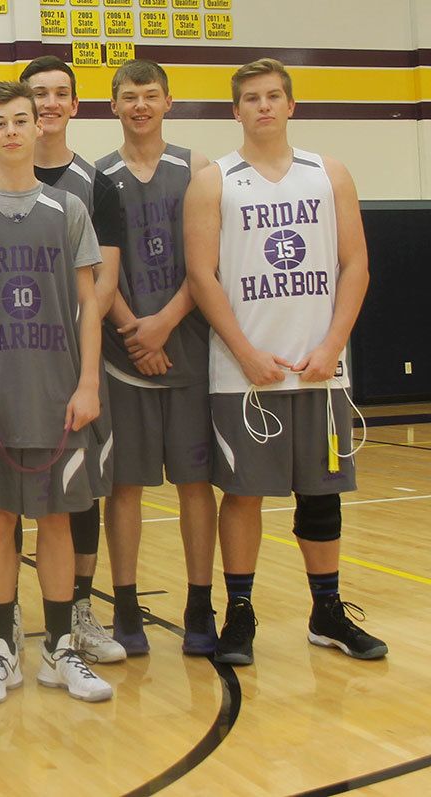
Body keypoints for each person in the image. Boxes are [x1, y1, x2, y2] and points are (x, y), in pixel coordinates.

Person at [184, 58, 387, 665]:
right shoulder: (214, 180)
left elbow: (356, 264)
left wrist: (333, 346)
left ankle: (327, 611)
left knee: (322, 497)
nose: (264, 106)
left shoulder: (329, 173)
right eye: (251, 98)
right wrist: (245, 353)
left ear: (291, 105)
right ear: (235, 110)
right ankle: (240, 613)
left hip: (321, 370)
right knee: (243, 495)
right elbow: (202, 276)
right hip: (243, 375)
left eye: (274, 96)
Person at [0, 80, 113, 707]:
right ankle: (3, 652)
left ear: (40, 126)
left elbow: (89, 302)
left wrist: (88, 383)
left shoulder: (69, 209)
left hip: (58, 392)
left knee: (57, 520)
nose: (11, 131)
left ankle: (60, 651)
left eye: (21, 120)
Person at [0, 56, 125, 663]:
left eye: (55, 96)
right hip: (1, 374)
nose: (18, 126)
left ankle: (73, 619)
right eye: (4, 119)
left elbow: (96, 291)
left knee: (69, 504)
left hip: (65, 369)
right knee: (1, 512)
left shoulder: (86, 193)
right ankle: (3, 628)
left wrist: (80, 370)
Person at [94, 60, 219, 657]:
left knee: (196, 484)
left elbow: (208, 263)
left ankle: (200, 605)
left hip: (188, 350)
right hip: (124, 356)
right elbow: (97, 272)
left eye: (150, 95)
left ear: (169, 101)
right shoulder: (99, 177)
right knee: (124, 488)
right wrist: (133, 331)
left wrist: (164, 324)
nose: (140, 105)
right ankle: (125, 608)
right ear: (113, 105)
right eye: (129, 96)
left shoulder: (198, 169)